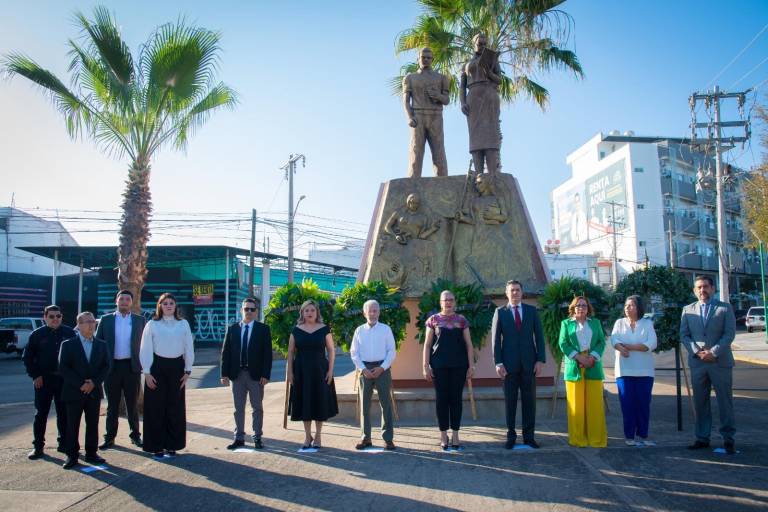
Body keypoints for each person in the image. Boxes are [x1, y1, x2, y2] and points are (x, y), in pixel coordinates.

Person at [680, 275, 737, 454]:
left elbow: (729, 334)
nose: (702, 290)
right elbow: (684, 335)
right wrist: (697, 352)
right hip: (698, 363)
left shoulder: (725, 308)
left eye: (705, 287)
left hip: (720, 362)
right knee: (700, 402)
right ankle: (702, 437)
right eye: (698, 287)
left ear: (713, 288)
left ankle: (728, 439)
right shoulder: (687, 310)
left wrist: (713, 352)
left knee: (724, 402)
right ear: (694, 291)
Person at [491, 280, 545, 449]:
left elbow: (539, 337)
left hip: (529, 364)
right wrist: (498, 362)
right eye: (512, 290)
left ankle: (529, 437)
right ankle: (511, 436)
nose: (515, 293)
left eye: (517, 290)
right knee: (510, 402)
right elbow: (495, 341)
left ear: (522, 292)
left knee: (530, 402)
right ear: (507, 293)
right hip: (508, 366)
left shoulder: (531, 311)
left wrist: (540, 360)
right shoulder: (500, 312)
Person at [139, 293, 194, 457]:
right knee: (155, 408)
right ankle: (156, 446)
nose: (169, 306)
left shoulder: (183, 324)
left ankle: (172, 445)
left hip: (177, 368)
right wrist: (147, 372)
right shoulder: (152, 324)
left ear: (175, 306)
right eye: (165, 303)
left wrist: (188, 370)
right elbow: (145, 348)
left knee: (175, 408)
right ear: (160, 306)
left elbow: (188, 347)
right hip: (157, 367)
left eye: (171, 303)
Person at [422, 290, 475, 450]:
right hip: (439, 367)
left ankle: (456, 434)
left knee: (456, 400)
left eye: (451, 300)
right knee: (442, 401)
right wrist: (425, 366)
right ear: (440, 302)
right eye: (445, 300)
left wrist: (471, 365)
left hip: (459, 366)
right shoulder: (433, 320)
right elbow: (427, 345)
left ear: (455, 302)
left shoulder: (462, 320)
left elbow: (469, 345)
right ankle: (443, 434)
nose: (448, 302)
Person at [58, 312, 110, 469]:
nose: (91, 325)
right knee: (72, 424)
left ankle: (91, 453)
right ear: (79, 324)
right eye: (87, 322)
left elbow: (106, 366)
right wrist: (81, 384)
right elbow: (63, 367)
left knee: (93, 424)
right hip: (74, 391)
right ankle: (72, 455)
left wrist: (93, 383)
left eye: (93, 322)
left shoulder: (101, 344)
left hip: (93, 392)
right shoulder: (68, 344)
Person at [23, 305, 75, 459]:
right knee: (41, 414)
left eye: (58, 316)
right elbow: (28, 358)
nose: (55, 319)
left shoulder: (69, 333)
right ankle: (38, 447)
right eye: (51, 316)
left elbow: (76, 357)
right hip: (43, 380)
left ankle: (64, 444)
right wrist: (35, 375)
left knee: (63, 413)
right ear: (45, 317)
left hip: (63, 380)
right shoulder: (37, 335)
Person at [96, 289, 146, 449]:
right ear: (116, 301)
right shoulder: (106, 320)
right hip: (112, 368)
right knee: (112, 405)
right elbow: (98, 344)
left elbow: (145, 345)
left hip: (132, 368)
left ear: (132, 302)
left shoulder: (139, 321)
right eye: (121, 299)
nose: (124, 301)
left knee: (132, 404)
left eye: (127, 299)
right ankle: (109, 437)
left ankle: (135, 436)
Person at [220, 298, 273, 450]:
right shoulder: (232, 328)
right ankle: (239, 438)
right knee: (238, 408)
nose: (249, 312)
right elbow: (225, 353)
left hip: (256, 376)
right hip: (237, 375)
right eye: (246, 309)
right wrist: (224, 374)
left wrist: (266, 374)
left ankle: (257, 437)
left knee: (257, 407)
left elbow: (267, 355)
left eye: (252, 309)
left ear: (257, 312)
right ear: (241, 310)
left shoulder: (263, 329)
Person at [287, 300, 338, 449]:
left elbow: (331, 350)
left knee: (319, 402)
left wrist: (330, 370)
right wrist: (290, 372)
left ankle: (318, 436)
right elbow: (290, 352)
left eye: (312, 310)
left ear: (317, 313)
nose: (309, 313)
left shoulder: (324, 329)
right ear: (302, 313)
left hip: (320, 371)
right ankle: (307, 436)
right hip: (301, 372)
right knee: (305, 403)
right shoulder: (296, 330)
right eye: (306, 310)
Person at [558, 296, 607, 448]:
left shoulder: (596, 323)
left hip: (593, 365)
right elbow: (563, 343)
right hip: (574, 366)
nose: (581, 308)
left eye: (584, 305)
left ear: (588, 308)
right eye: (578, 305)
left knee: (595, 405)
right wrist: (579, 357)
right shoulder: (566, 324)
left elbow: (601, 342)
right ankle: (578, 438)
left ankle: (596, 439)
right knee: (576, 406)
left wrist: (592, 357)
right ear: (573, 308)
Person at [349, 300, 397, 450]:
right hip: (365, 370)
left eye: (375, 310)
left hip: (382, 369)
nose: (372, 313)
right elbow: (354, 353)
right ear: (364, 313)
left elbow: (392, 351)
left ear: (379, 312)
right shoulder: (359, 331)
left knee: (386, 404)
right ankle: (365, 438)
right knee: (364, 405)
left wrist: (382, 368)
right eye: (369, 311)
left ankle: (388, 439)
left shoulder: (386, 329)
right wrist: (363, 369)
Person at [611, 295, 657, 446]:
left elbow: (651, 344)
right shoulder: (619, 323)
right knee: (627, 404)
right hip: (624, 371)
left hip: (645, 371)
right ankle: (629, 436)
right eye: (626, 305)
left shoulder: (647, 323)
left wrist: (628, 347)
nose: (627, 308)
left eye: (631, 305)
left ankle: (643, 434)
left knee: (643, 404)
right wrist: (620, 347)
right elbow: (614, 339)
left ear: (639, 308)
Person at [403, 47, 450, 178]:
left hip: (436, 116)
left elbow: (446, 100)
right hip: (418, 116)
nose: (426, 60)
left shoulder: (442, 78)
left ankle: (442, 182)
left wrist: (437, 96)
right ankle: (412, 181)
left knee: (439, 151)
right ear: (418, 59)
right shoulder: (410, 78)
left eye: (429, 58)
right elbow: (406, 101)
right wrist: (409, 117)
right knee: (416, 151)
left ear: (433, 60)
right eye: (423, 57)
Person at [460, 33, 502, 174]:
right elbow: (462, 86)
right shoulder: (466, 64)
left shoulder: (492, 60)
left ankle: (492, 176)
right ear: (474, 44)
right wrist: (462, 102)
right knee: (475, 138)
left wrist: (488, 72)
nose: (482, 46)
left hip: (489, 96)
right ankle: (479, 174)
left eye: (485, 44)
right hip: (473, 98)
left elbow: (499, 80)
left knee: (490, 137)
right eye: (480, 43)